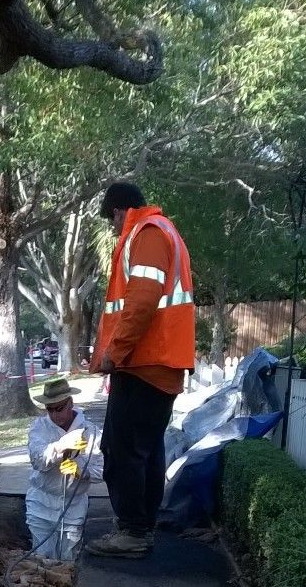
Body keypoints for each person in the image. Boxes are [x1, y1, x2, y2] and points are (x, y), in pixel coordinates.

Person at [88, 181, 195, 558]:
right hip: (156, 364)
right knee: (145, 449)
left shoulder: (146, 233)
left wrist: (114, 352)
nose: (114, 228)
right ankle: (141, 526)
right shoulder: (163, 231)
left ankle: (133, 532)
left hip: (144, 362)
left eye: (112, 221)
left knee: (123, 450)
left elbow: (142, 301)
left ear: (120, 211)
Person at [26, 376, 102, 561]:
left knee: (69, 560)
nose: (54, 415)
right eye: (49, 409)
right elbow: (37, 461)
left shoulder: (91, 432)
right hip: (41, 503)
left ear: (71, 403)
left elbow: (102, 469)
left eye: (59, 408)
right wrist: (61, 446)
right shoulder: (39, 428)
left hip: (73, 506)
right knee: (41, 560)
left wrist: (80, 471)